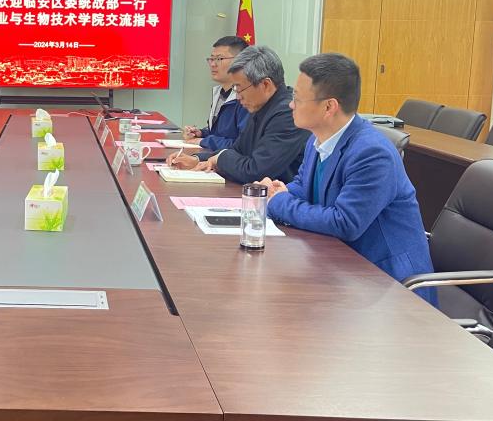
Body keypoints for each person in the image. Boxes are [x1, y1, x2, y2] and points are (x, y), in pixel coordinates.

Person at [257, 53, 437, 304]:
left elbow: (345, 222)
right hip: (341, 268)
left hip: (389, 286)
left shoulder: (372, 153)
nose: (290, 105)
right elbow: (304, 186)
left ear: (329, 107)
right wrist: (280, 190)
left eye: (297, 98)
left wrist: (279, 202)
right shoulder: (317, 139)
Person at [169, 45, 309, 184]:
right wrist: (198, 159)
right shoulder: (261, 105)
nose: (237, 97)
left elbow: (257, 171)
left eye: (240, 88)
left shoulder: (287, 114)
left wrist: (220, 159)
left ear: (265, 85)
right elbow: (238, 149)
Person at [182, 35, 250, 152]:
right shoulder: (219, 92)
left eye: (219, 59)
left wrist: (205, 141)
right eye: (211, 59)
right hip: (213, 158)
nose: (213, 64)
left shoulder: (247, 97)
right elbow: (219, 133)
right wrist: (200, 133)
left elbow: (242, 145)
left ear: (240, 61)